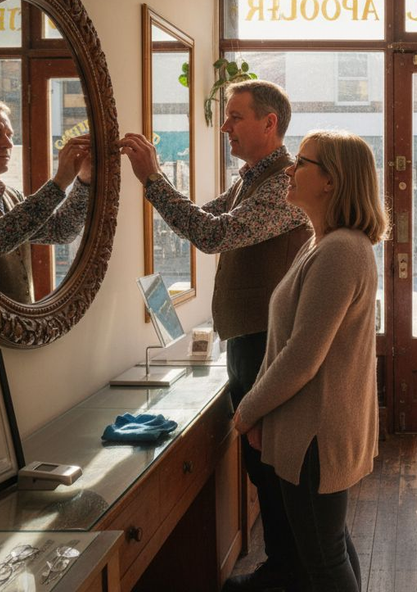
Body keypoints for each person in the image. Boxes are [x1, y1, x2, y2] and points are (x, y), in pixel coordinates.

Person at [118, 80, 311, 592]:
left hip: (267, 342)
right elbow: (206, 217)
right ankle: (287, 567)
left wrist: (153, 179)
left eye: (235, 117)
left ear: (269, 123)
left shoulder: (283, 184)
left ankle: (289, 572)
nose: (224, 126)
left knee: (270, 463)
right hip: (248, 338)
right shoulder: (253, 178)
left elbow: (212, 234)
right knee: (260, 461)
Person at [232, 130, 387, 592]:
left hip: (318, 432)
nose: (289, 169)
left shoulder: (341, 250)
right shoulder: (319, 243)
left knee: (322, 558)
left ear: (331, 181)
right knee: (328, 545)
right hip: (308, 427)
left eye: (302, 160)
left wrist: (248, 410)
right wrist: (261, 411)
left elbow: (301, 357)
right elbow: (281, 342)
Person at [0, 98, 92, 304]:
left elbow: (62, 230)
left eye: (9, 135)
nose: (8, 144)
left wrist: (84, 180)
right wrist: (59, 181)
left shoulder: (10, 195)